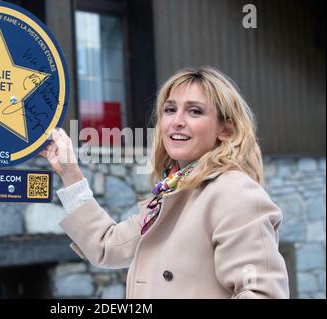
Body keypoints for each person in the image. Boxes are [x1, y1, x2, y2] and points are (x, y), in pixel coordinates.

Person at [40, 66, 289, 298]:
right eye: (170, 109)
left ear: (226, 130)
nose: (176, 121)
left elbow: (261, 292)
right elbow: (107, 245)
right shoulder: (172, 192)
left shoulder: (235, 192)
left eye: (195, 111)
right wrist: (70, 172)